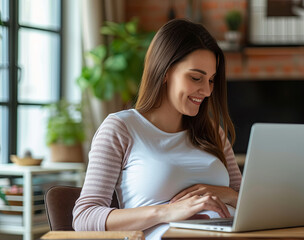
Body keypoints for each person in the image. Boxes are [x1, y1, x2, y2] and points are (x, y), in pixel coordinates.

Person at [72, 19, 242, 240]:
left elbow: (246, 200)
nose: (207, 91)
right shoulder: (121, 129)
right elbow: (84, 217)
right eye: (195, 78)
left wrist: (226, 194)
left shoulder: (211, 131)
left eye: (211, 80)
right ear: (164, 71)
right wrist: (167, 211)